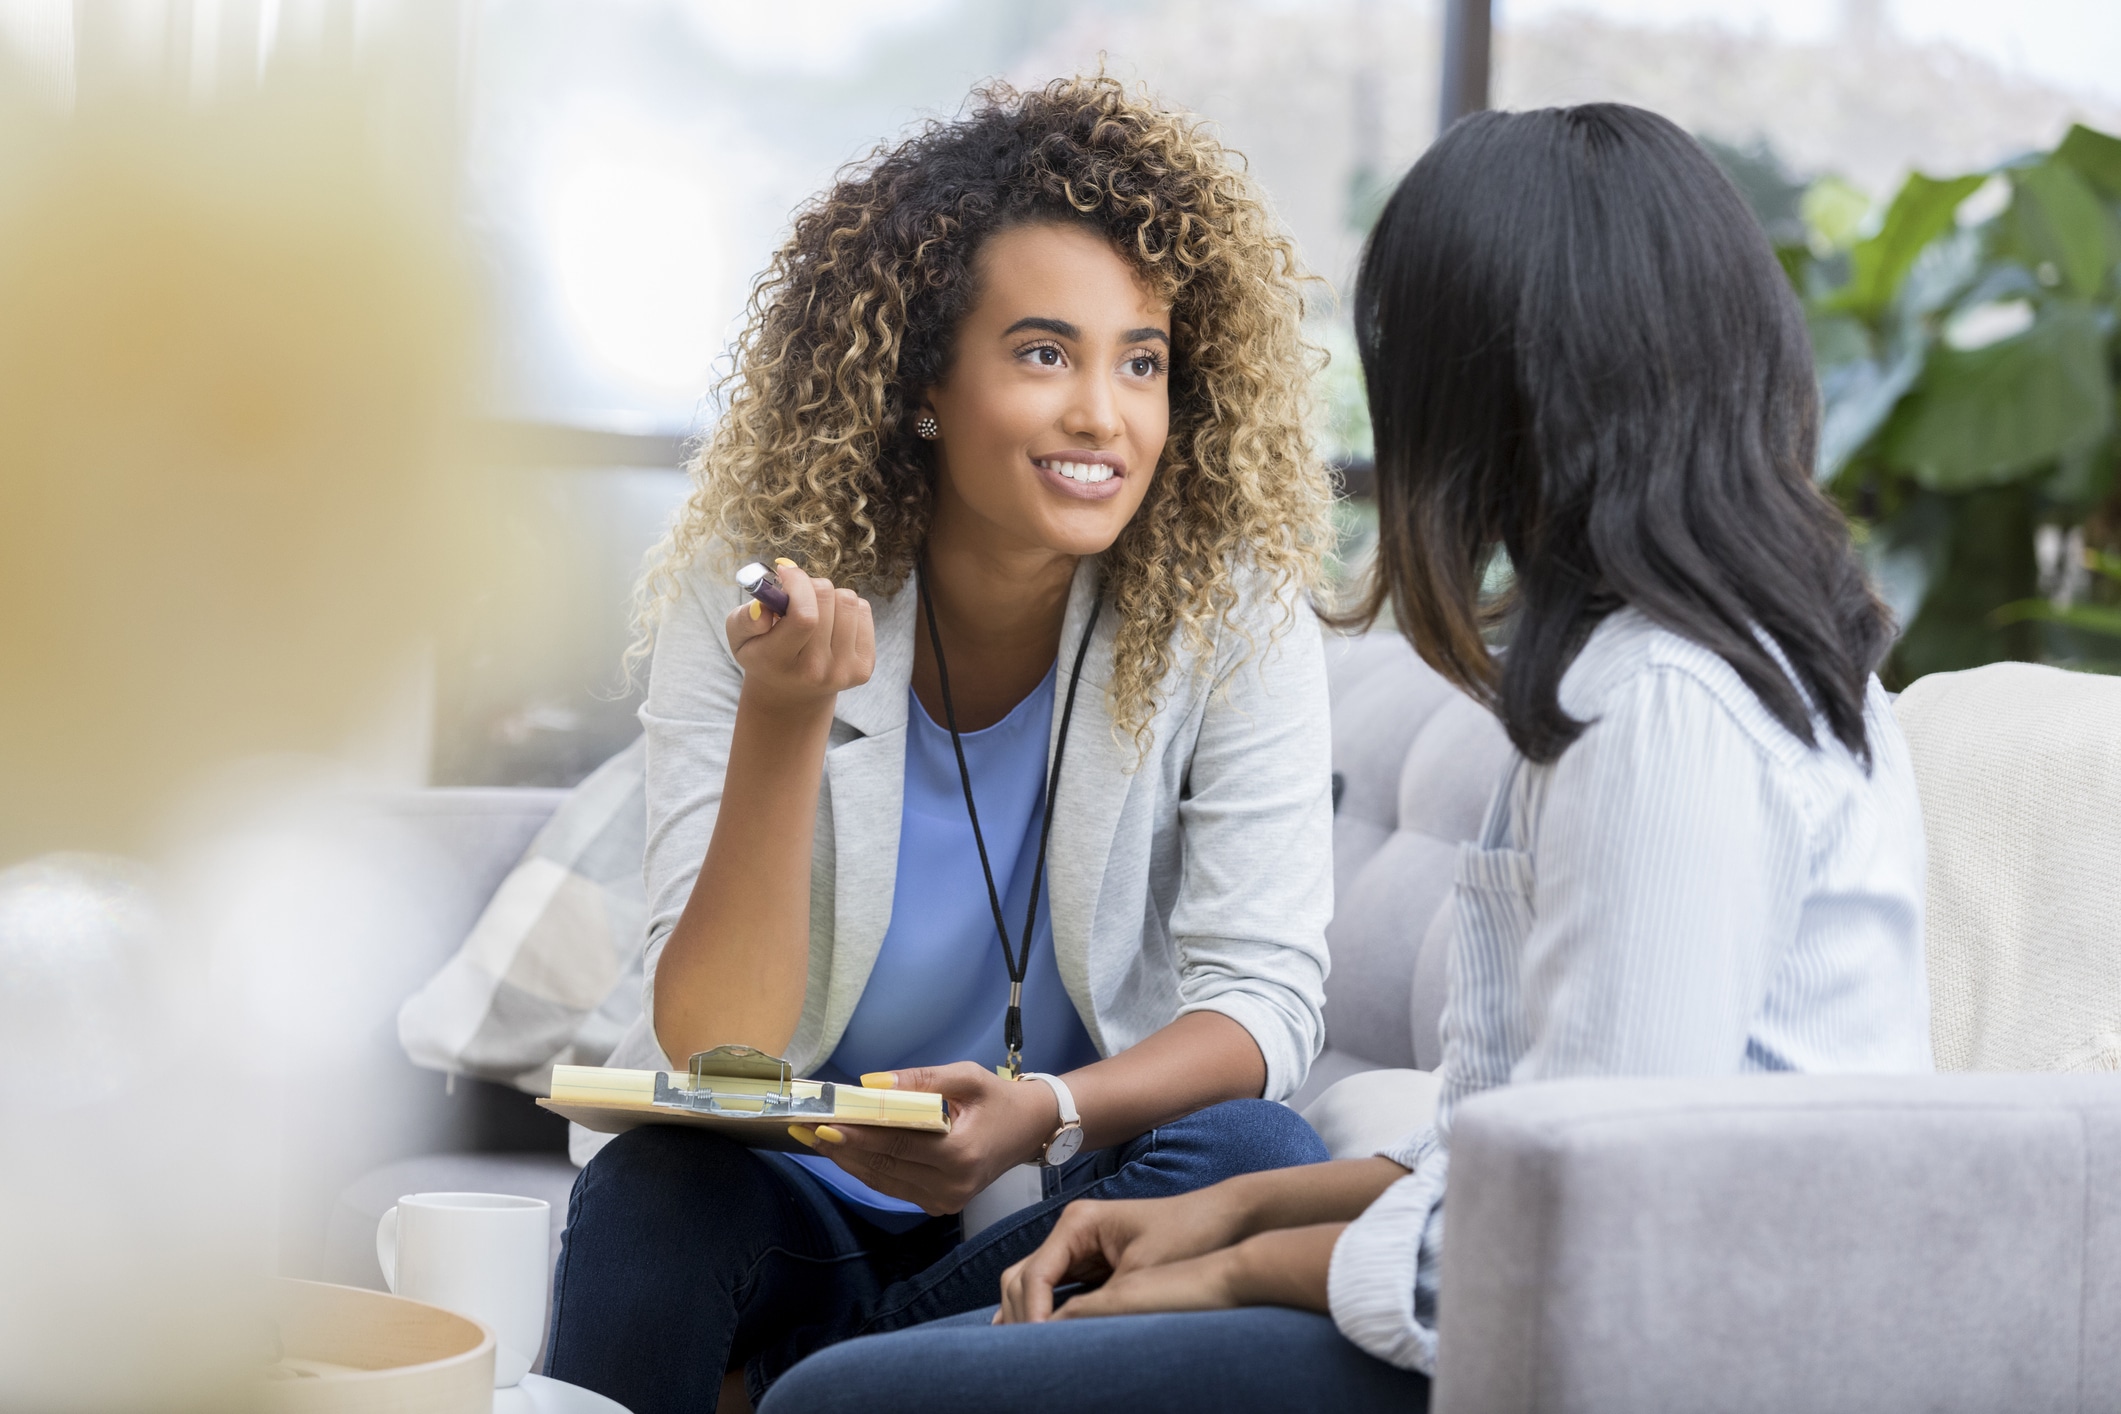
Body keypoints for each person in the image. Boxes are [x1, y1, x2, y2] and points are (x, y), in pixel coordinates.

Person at [756, 102, 1933, 1414]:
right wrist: (1220, 1217)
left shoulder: (1668, 709)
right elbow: (1500, 1150)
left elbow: (1586, 1236)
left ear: (1490, 393)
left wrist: (1230, 1269)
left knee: (841, 1400)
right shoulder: (1654, 677)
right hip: (1526, 1308)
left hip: (1621, 1359)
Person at [543, 76, 1342, 1414]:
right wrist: (786, 715)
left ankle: (824, 1388)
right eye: (1044, 353)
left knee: (1248, 1147)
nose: (1103, 414)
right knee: (654, 1189)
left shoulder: (1233, 609)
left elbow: (1264, 1000)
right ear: (921, 385)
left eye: (1139, 360)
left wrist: (1054, 1112)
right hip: (795, 1185)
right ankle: (871, 1381)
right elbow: (710, 1044)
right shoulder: (755, 593)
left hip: (1057, 1198)